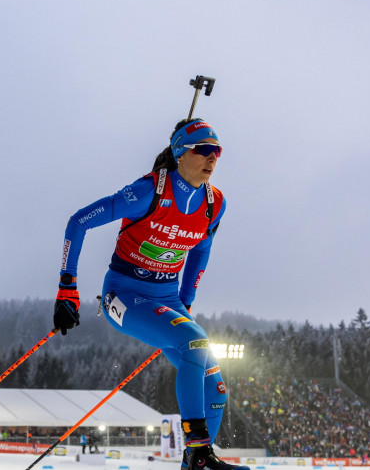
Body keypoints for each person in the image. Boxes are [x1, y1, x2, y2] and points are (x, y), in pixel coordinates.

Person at [53, 118, 241, 470]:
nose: (212, 158)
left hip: (168, 299)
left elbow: (201, 249)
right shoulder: (148, 192)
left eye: (217, 151)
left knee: (216, 391)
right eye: (203, 150)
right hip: (125, 296)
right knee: (195, 342)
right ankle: (199, 451)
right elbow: (79, 222)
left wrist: (186, 300)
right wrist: (67, 288)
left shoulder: (215, 203)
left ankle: (195, 463)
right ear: (179, 152)